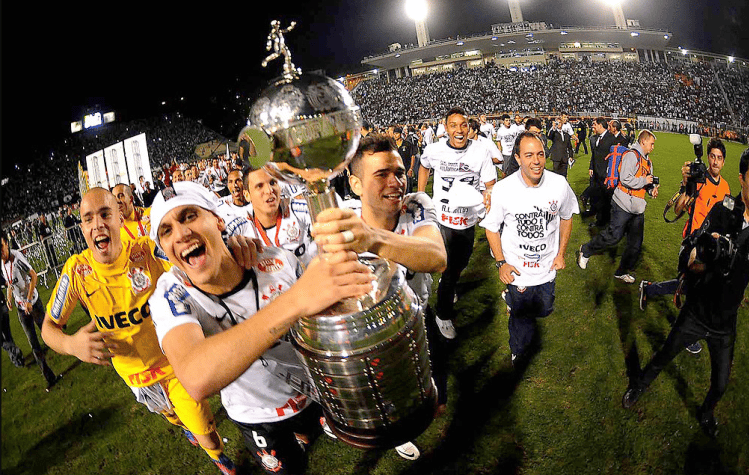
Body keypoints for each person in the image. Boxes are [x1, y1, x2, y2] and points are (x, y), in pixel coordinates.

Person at [148, 181, 375, 474]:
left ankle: (306, 433)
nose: (180, 234)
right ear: (164, 249)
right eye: (166, 230)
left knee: (319, 432)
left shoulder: (275, 260)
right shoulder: (170, 294)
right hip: (256, 414)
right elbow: (195, 377)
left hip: (312, 391)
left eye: (189, 216)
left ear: (218, 219)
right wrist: (295, 301)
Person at [41, 187, 238, 475]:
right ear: (82, 228)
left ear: (120, 218)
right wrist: (71, 345)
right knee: (172, 414)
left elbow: (193, 258)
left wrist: (232, 247)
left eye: (105, 214)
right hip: (137, 379)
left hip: (175, 364)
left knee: (202, 425)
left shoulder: (146, 250)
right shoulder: (76, 272)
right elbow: (49, 328)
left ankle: (221, 459)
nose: (97, 224)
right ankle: (180, 422)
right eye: (88, 218)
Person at [312, 133, 448, 459]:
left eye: (399, 172)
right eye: (381, 175)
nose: (395, 182)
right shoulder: (340, 216)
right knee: (387, 402)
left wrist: (371, 238)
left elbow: (436, 257)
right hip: (369, 336)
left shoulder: (416, 205)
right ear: (356, 185)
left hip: (417, 318)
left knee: (436, 401)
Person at [622, 148, 749, 438]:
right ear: (742, 180)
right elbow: (691, 257)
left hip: (725, 326)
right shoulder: (722, 212)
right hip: (697, 311)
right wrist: (703, 256)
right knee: (664, 354)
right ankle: (639, 385)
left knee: (721, 383)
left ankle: (706, 412)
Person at [481, 132, 579, 365]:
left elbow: (566, 217)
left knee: (545, 309)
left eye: (540, 154)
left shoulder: (559, 184)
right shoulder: (504, 189)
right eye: (528, 155)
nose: (536, 161)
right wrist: (501, 263)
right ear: (517, 158)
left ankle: (512, 300)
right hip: (518, 270)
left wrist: (561, 253)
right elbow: (491, 228)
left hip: (547, 267)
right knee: (521, 316)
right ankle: (518, 350)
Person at [418, 107, 496, 339]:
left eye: (463, 125)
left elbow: (490, 183)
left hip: (468, 218)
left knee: (462, 261)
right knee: (450, 268)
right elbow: (424, 165)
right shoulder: (434, 150)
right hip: (443, 218)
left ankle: (447, 284)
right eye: (454, 125)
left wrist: (487, 197)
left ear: (469, 127)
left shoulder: (480, 152)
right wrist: (421, 193)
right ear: (446, 127)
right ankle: (442, 315)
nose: (459, 130)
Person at [639, 139, 730, 310]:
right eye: (712, 156)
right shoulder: (698, 180)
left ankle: (649, 289)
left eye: (719, 158)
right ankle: (651, 291)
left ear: (724, 161)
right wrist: (687, 185)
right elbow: (678, 209)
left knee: (692, 287)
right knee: (689, 287)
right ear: (708, 158)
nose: (715, 161)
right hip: (692, 242)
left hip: (710, 246)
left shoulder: (725, 187)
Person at [578, 130, 659, 284]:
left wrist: (651, 189)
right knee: (613, 236)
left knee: (635, 245)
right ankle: (586, 250)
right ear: (643, 142)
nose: (653, 147)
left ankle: (622, 271)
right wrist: (644, 181)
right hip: (622, 204)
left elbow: (646, 182)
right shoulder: (631, 156)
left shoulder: (648, 162)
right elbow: (625, 179)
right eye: (651, 143)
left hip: (637, 208)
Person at [2, 234, 60, 388]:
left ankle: (68, 347)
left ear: (6, 244)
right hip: (22, 309)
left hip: (33, 304)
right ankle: (49, 377)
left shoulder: (17, 258)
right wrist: (9, 299)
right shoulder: (1, 263)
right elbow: (9, 283)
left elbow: (33, 276)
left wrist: (28, 301)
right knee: (33, 343)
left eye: (1, 246)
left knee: (48, 333)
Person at [244, 167, 317, 268]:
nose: (269, 190)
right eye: (260, 186)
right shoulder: (243, 229)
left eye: (273, 183)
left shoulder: (298, 210)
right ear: (247, 195)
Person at [586, 117, 621, 227]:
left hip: (605, 175)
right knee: (598, 198)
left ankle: (605, 221)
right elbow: (594, 155)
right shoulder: (597, 138)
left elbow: (614, 159)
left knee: (605, 200)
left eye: (595, 124)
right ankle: (600, 219)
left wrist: (609, 173)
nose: (593, 126)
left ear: (601, 125)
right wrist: (591, 167)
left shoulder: (611, 139)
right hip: (596, 174)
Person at [1, 270, 25, 368]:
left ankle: (14, 350)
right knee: (8, 335)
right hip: (2, 305)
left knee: (3, 340)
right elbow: (6, 282)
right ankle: (18, 360)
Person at [393, 126, 418, 194]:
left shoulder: (407, 144)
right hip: (396, 171)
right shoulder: (393, 145)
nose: (395, 135)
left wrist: (411, 169)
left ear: (401, 134)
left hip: (406, 169)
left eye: (397, 133)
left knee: (408, 190)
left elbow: (412, 156)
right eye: (394, 134)